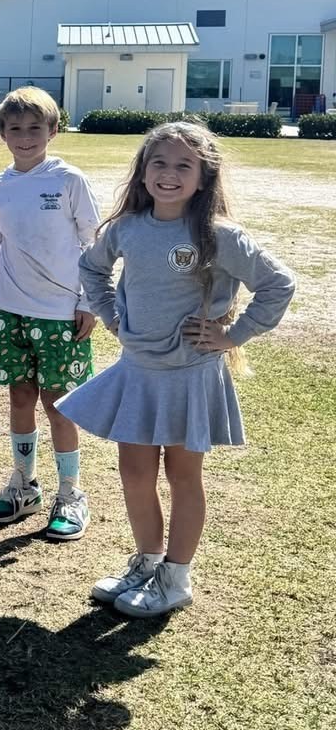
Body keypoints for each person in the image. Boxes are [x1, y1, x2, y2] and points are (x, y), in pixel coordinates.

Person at [57, 120, 294, 617]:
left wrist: (233, 335)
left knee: (182, 475)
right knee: (134, 472)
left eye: (184, 165)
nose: (169, 174)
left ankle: (176, 577)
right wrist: (112, 317)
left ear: (204, 177)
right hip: (138, 372)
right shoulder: (126, 228)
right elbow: (92, 268)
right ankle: (147, 562)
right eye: (159, 163)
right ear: (143, 172)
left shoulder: (219, 235)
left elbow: (278, 284)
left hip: (191, 374)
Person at [0, 87, 100, 540]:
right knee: (20, 397)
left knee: (59, 405)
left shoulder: (69, 180)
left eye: (35, 128)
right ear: (2, 134)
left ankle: (71, 492)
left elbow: (94, 243)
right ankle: (24, 486)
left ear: (53, 130)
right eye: (15, 129)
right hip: (9, 311)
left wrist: (88, 303)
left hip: (60, 314)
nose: (25, 137)